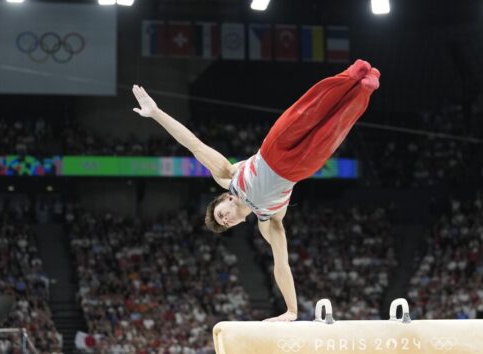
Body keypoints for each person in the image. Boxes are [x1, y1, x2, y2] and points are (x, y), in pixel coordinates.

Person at [131, 59, 380, 321]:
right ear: (236, 225)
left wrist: (156, 113)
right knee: (335, 128)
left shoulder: (229, 178)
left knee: (309, 110)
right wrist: (292, 311)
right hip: (299, 169)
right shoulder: (268, 220)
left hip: (274, 149)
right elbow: (282, 265)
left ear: (224, 198)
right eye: (225, 224)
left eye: (220, 214)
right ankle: (365, 88)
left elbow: (193, 144)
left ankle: (352, 74)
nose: (225, 219)